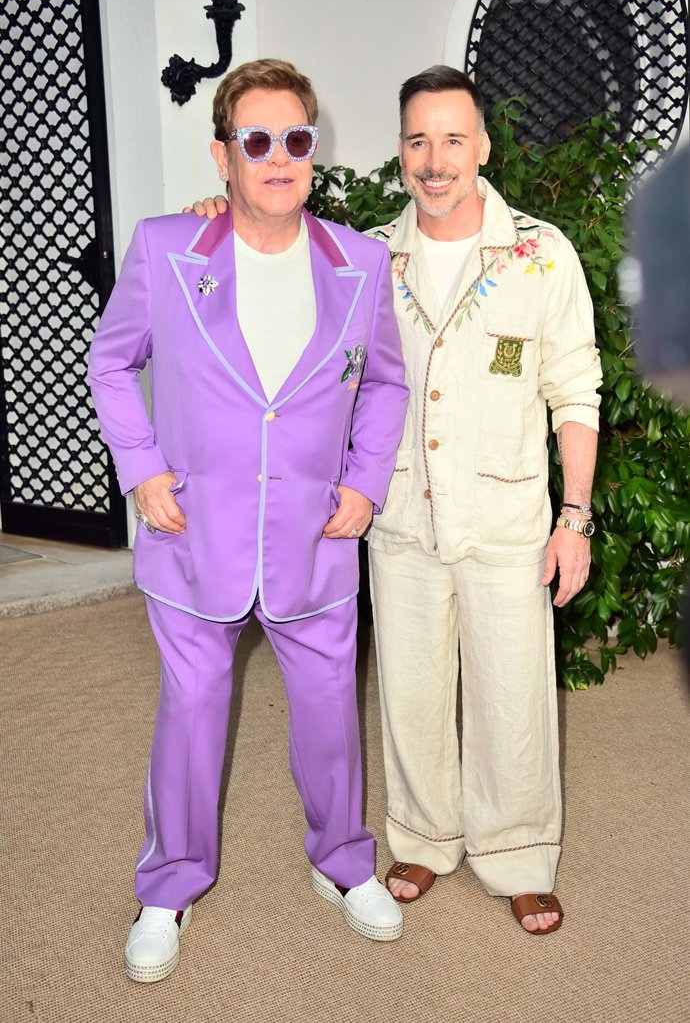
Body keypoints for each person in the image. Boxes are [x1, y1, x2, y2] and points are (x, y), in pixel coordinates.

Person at [190, 65, 602, 936]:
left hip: (509, 518)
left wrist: (575, 517)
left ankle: (519, 854)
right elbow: (270, 262)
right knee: (409, 687)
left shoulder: (541, 251)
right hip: (402, 516)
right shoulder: (366, 255)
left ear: (483, 146)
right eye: (418, 139)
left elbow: (575, 393)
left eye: (454, 138)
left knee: (513, 691)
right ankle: (423, 836)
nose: (435, 158)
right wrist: (213, 217)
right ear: (401, 151)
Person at [88, 58, 408, 984]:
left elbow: (383, 380)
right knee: (191, 710)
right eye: (257, 140)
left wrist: (365, 482)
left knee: (327, 712)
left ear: (314, 150)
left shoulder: (361, 261)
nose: (278, 157)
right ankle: (168, 884)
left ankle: (344, 862)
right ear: (224, 153)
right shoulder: (164, 247)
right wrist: (141, 468)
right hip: (195, 529)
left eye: (295, 140)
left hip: (317, 532)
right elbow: (113, 363)